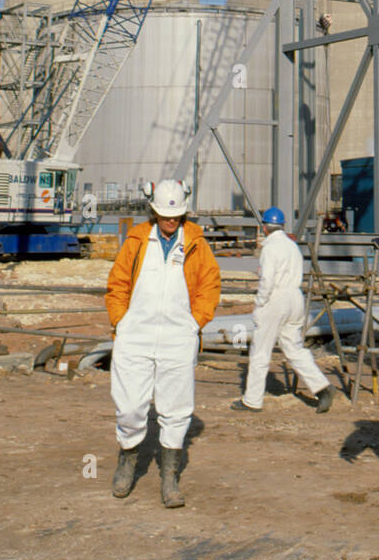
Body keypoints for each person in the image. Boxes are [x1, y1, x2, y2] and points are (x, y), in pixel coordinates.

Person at [105, 179, 221, 508]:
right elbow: (118, 282)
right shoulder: (138, 241)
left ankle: (169, 477)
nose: (169, 222)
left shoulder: (197, 244)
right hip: (135, 336)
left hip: (177, 338)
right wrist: (120, 322)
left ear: (183, 214)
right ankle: (127, 461)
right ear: (153, 212)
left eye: (175, 217)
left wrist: (194, 322)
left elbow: (210, 285)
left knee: (176, 409)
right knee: (129, 406)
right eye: (163, 216)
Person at [232, 206, 335, 414]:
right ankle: (322, 387)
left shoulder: (270, 248)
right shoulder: (291, 246)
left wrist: (260, 302)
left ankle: (252, 400)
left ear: (264, 227)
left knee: (260, 351)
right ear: (282, 225)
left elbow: (267, 280)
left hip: (275, 299)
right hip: (295, 298)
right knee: (294, 348)